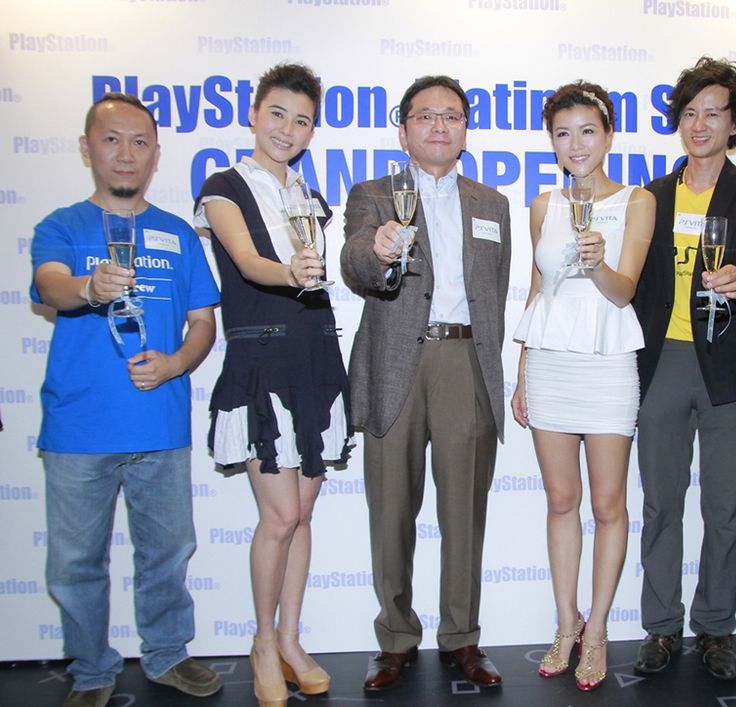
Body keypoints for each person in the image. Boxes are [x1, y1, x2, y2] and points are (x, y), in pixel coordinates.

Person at [30, 93, 221, 707]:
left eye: (140, 142)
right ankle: (91, 670)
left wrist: (176, 363)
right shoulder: (61, 226)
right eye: (111, 139)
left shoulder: (178, 233)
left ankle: (167, 654)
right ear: (87, 148)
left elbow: (203, 323)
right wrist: (89, 287)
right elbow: (50, 287)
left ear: (156, 154)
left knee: (168, 554)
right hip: (78, 430)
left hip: (159, 426)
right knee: (75, 564)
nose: (125, 153)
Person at [341, 75, 511, 692]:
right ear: (403, 129)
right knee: (391, 510)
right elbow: (355, 263)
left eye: (452, 116)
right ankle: (395, 639)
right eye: (425, 116)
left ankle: (462, 637)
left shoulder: (492, 204)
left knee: (465, 511)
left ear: (465, 129)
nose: (439, 126)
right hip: (396, 365)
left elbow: (496, 291)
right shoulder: (373, 195)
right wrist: (380, 249)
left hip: (465, 362)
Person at [194, 63, 352, 707]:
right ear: (254, 115)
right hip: (262, 357)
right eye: (278, 114)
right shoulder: (223, 187)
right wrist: (290, 272)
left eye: (302, 120)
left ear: (313, 131)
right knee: (280, 515)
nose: (288, 129)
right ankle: (262, 641)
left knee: (303, 513)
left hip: (316, 352)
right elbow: (246, 261)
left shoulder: (310, 198)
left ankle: (290, 639)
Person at [630, 57, 736, 681]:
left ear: (735, 122)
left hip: (729, 365)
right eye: (689, 113)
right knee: (661, 504)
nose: (699, 124)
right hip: (661, 361)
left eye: (713, 113)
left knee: (726, 507)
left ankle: (716, 626)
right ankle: (661, 627)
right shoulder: (652, 196)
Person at [510, 81, 654, 691]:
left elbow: (625, 292)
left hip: (607, 361)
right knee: (561, 500)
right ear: (552, 141)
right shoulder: (543, 205)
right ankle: (565, 625)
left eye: (588, 131)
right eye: (563, 133)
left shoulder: (638, 201)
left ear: (608, 135)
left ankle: (596, 631)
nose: (576, 144)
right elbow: (537, 289)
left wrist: (597, 263)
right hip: (549, 362)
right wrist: (522, 373)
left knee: (608, 505)